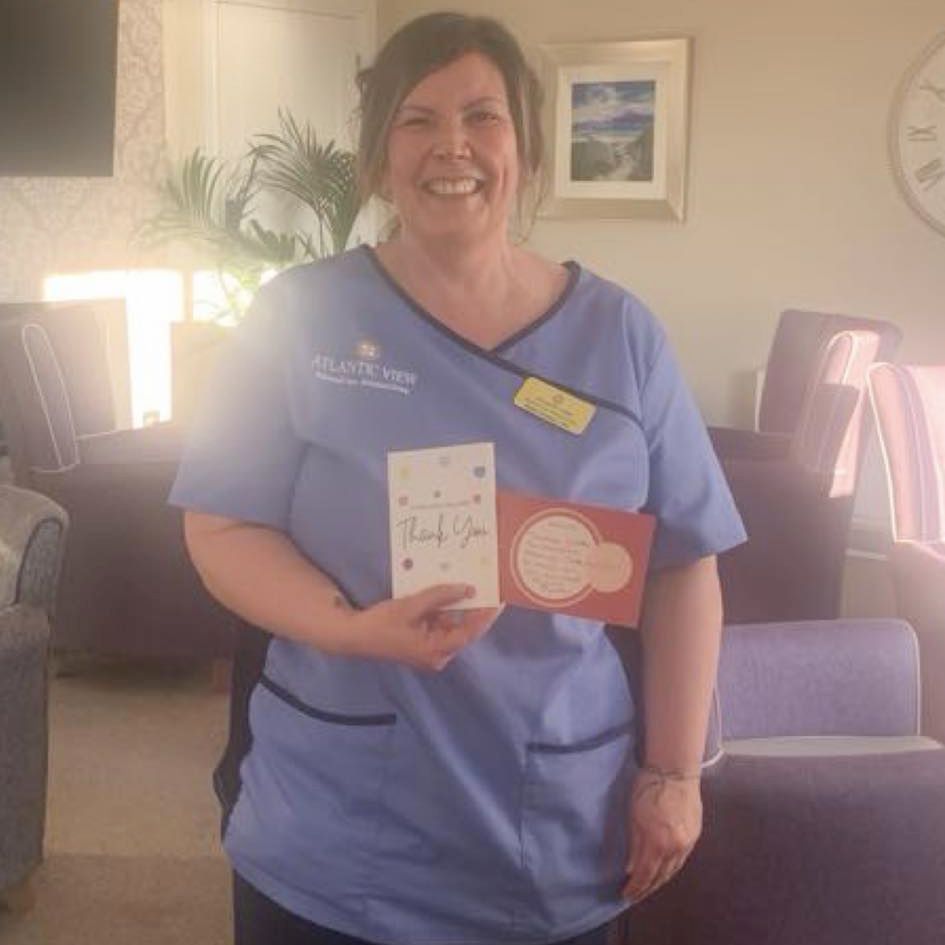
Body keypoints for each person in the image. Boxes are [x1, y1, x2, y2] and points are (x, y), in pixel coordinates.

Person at [170, 12, 746, 945]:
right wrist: (352, 628)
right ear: (376, 156)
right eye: (415, 119)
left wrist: (674, 772)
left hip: (556, 817)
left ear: (525, 146)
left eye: (483, 117)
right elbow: (223, 528)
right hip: (335, 823)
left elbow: (683, 562)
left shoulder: (621, 336)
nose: (453, 147)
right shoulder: (297, 317)